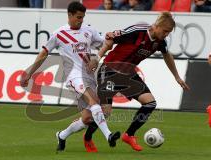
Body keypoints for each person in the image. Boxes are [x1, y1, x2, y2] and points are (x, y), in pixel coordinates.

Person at [20, 1, 120, 152]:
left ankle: (62, 135)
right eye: (78, 17)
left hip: (88, 77)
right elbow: (44, 53)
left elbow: (105, 43)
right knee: (94, 102)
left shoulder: (89, 30)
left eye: (83, 17)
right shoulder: (59, 34)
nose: (81, 20)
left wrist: (112, 37)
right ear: (70, 15)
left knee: (87, 118)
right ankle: (109, 136)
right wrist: (29, 73)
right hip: (73, 77)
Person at [84, 11, 190, 152]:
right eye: (165, 31)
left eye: (169, 33)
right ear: (157, 26)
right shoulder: (137, 32)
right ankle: (88, 137)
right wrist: (97, 58)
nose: (166, 35)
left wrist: (177, 76)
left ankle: (129, 135)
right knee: (106, 112)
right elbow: (110, 38)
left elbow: (167, 55)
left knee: (150, 103)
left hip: (128, 74)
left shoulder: (160, 42)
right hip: (109, 70)